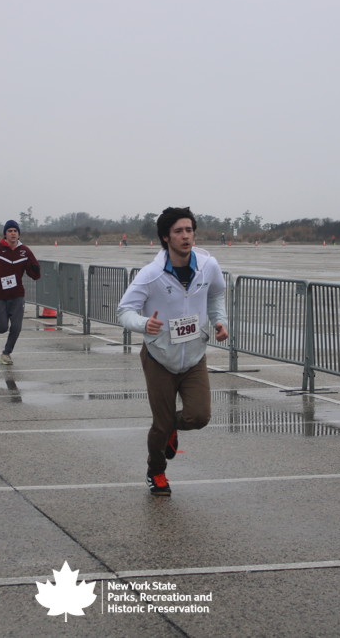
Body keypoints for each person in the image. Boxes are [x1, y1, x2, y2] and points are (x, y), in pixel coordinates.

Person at [117, 206, 229, 496]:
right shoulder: (151, 274)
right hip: (159, 357)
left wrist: (220, 321)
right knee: (161, 423)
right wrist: (144, 324)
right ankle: (156, 472)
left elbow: (216, 293)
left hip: (194, 357)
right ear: (166, 237)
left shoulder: (208, 266)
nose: (185, 236)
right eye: (178, 231)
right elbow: (124, 310)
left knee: (199, 417)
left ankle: (171, 429)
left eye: (189, 230)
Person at [0, 220, 41, 365]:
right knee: (2, 327)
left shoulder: (25, 251)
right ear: (5, 234)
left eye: (15, 231)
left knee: (16, 327)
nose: (13, 233)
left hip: (17, 294)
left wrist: (36, 270)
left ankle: (6, 353)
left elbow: (34, 274)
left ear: (19, 234)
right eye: (10, 231)